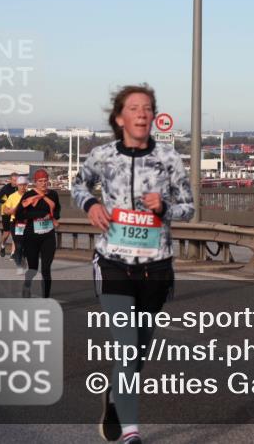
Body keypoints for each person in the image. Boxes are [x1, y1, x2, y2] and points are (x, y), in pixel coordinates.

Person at [72, 84, 194, 444]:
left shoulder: (170, 158)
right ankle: (131, 433)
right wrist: (91, 205)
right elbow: (78, 186)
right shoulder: (103, 156)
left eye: (147, 108)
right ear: (120, 117)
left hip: (156, 266)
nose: (142, 113)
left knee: (139, 352)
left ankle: (114, 397)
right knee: (127, 346)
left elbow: (188, 208)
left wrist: (164, 207)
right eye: (134, 108)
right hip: (113, 262)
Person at [15, 169, 61, 298]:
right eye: (40, 181)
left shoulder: (53, 195)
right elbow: (19, 214)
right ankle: (27, 285)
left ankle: (46, 298)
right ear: (35, 182)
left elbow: (57, 212)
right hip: (31, 236)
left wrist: (52, 216)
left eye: (45, 181)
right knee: (33, 269)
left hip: (48, 235)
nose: (43, 183)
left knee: (46, 269)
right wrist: (40, 214)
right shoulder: (28, 196)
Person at [3, 176, 29, 270]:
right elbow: (5, 209)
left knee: (28, 245)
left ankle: (23, 258)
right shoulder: (12, 196)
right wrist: (11, 211)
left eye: (24, 185)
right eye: (21, 185)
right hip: (16, 223)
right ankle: (19, 265)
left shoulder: (30, 195)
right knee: (18, 245)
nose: (22, 187)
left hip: (28, 223)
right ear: (17, 185)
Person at [0, 172, 18, 256]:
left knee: (15, 232)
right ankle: (2, 245)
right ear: (10, 180)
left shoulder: (20, 188)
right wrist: (8, 201)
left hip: (16, 212)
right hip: (6, 212)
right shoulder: (6, 188)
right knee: (7, 233)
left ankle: (13, 253)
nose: (16, 182)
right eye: (14, 180)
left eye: (17, 180)